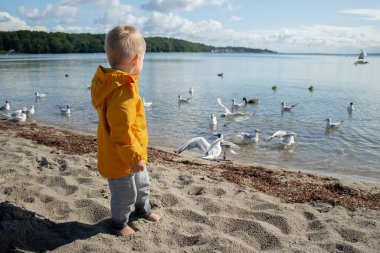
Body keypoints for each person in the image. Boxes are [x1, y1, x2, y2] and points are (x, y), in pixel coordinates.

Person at [90, 24, 160, 236]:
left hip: (132, 152)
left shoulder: (123, 83)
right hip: (122, 157)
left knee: (142, 184)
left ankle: (142, 210)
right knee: (124, 193)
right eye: (143, 59)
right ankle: (119, 224)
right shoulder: (120, 91)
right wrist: (134, 156)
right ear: (136, 60)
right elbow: (121, 131)